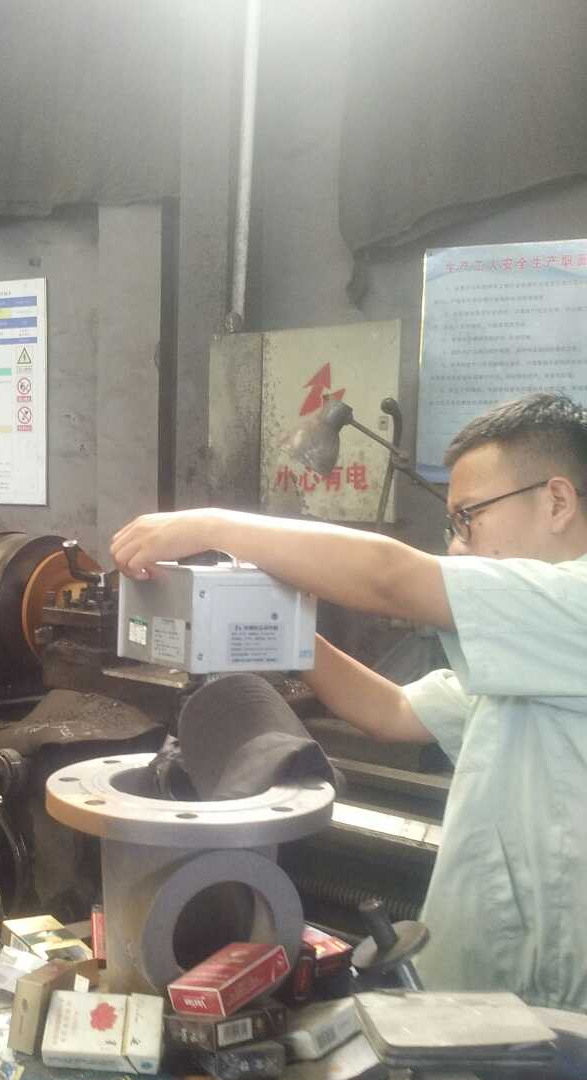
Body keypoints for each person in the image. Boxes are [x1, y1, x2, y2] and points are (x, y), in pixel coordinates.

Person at [112, 392, 587, 1012]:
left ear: (557, 501)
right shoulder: (533, 647)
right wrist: (275, 625)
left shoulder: (574, 607)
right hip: (483, 993)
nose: (457, 546)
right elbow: (391, 712)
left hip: (556, 1010)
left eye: (469, 517)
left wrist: (208, 525)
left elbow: (390, 576)